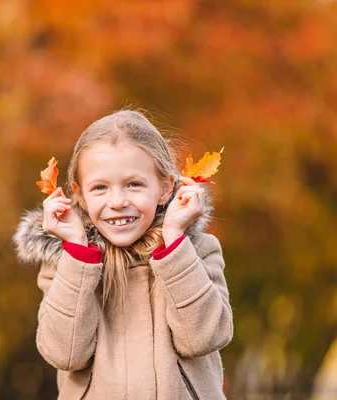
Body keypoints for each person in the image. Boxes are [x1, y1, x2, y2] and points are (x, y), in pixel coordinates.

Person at [13, 110, 233, 399]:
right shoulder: (63, 264)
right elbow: (64, 353)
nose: (117, 202)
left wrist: (175, 241)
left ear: (165, 187)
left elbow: (205, 337)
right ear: (79, 194)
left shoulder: (197, 251)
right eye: (100, 188)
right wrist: (78, 253)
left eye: (134, 184)